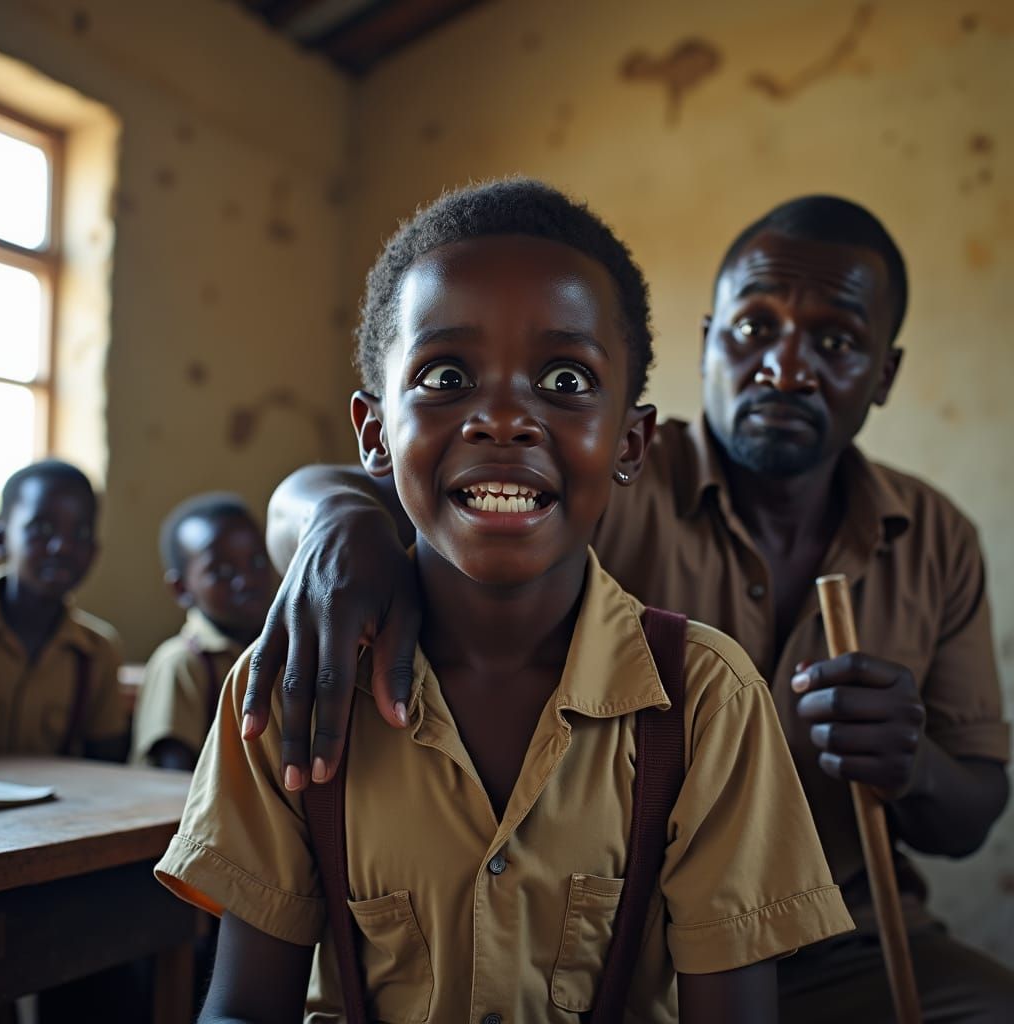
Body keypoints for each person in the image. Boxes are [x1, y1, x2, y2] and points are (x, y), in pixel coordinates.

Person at [250, 194, 1013, 1021]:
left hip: (861, 942)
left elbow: (969, 815)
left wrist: (915, 764)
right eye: (754, 329)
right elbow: (357, 483)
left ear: (884, 374)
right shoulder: (598, 473)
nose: (786, 368)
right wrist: (337, 524)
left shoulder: (935, 538)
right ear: (708, 341)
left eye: (834, 342)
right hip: (623, 952)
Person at [155, 180, 853, 1023]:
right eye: (446, 375)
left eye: (565, 378)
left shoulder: (706, 699)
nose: (503, 419)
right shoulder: (290, 690)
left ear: (630, 441)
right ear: (374, 433)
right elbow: (241, 1009)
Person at [0, 459, 126, 759]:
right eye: (42, 528)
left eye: (79, 534)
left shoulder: (97, 651)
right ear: (0, 540)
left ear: (94, 552)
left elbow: (105, 766)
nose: (62, 547)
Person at [130, 492, 272, 770]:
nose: (246, 580)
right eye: (222, 571)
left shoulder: (278, 649)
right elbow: (170, 776)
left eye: (256, 562)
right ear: (181, 589)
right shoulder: (182, 663)